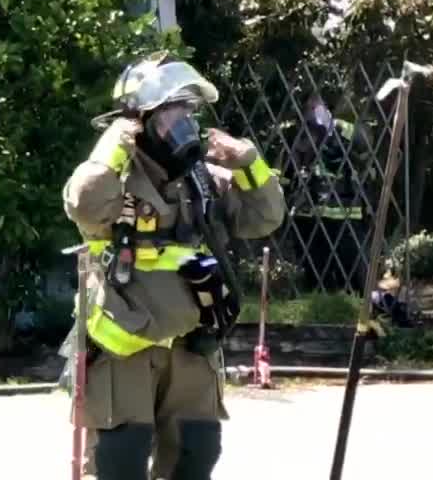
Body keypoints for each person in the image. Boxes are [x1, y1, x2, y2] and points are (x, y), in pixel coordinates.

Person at [63, 51, 285, 480]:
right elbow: (85, 205)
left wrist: (247, 163)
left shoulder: (201, 178)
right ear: (138, 120)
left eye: (188, 111)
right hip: (123, 342)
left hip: (189, 340)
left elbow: (263, 218)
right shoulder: (112, 176)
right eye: (171, 112)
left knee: (196, 452)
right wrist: (113, 147)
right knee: (120, 461)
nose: (184, 123)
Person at [283, 94, 373, 293]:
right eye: (309, 108)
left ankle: (356, 302)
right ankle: (321, 301)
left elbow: (364, 143)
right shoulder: (301, 136)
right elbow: (289, 171)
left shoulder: (343, 129)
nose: (314, 112)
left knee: (351, 264)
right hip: (311, 213)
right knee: (316, 265)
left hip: (345, 210)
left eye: (318, 108)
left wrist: (333, 125)